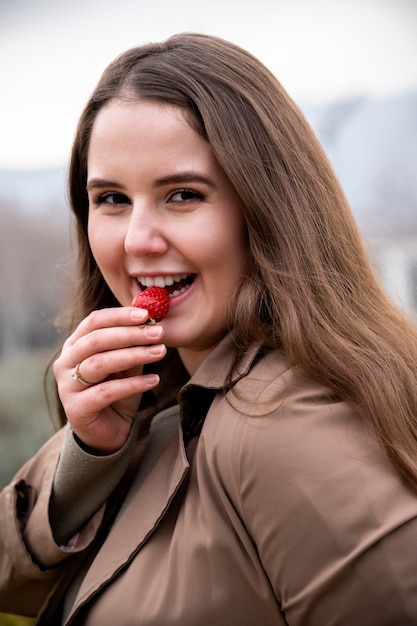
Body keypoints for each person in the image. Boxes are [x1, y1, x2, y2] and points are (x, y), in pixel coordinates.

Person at [1, 32, 417, 626]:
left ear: (267, 207)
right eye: (112, 198)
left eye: (183, 195)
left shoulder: (285, 426)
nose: (137, 240)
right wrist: (89, 455)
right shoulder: (166, 412)